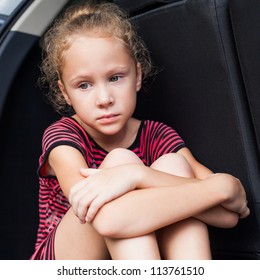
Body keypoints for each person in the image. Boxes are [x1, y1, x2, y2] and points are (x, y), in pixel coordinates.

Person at [31, 1, 249, 260]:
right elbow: (108, 219)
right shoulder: (63, 137)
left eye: (115, 78)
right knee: (120, 159)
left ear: (137, 75)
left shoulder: (157, 136)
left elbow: (228, 214)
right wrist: (221, 186)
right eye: (84, 85)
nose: (104, 98)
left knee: (172, 163)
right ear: (65, 92)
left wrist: (136, 176)